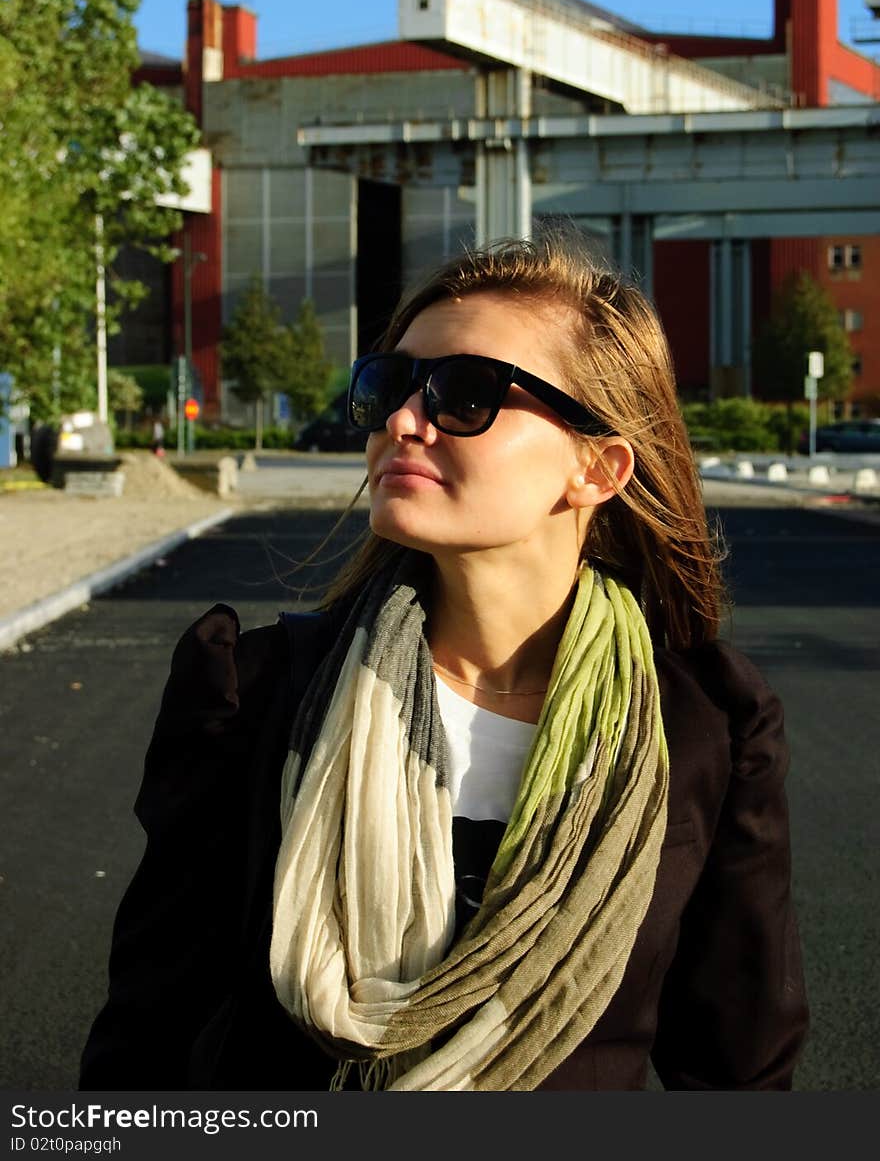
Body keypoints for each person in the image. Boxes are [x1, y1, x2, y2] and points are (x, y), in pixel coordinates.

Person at [79, 231, 809, 1092]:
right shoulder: (255, 689)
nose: (400, 420)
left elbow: (738, 1067)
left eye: (464, 392)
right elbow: (150, 1032)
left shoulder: (699, 723)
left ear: (597, 467)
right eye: (387, 385)